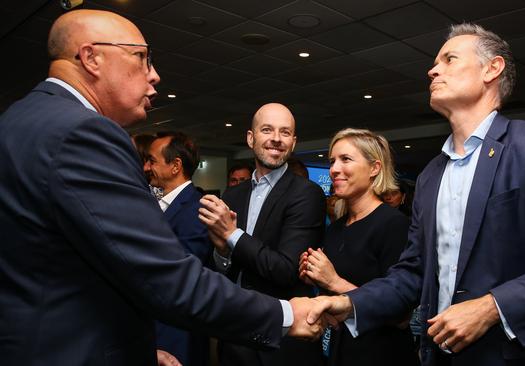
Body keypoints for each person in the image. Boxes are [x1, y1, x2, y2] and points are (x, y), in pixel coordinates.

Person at [0, 9, 322, 366]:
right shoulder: (84, 133)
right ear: (91, 57)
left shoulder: (17, 119)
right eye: (141, 58)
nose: (154, 75)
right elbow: (164, 277)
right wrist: (287, 316)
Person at [307, 23, 525, 366]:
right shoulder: (431, 175)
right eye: (435, 63)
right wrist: (350, 303)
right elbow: (412, 273)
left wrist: (493, 306)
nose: (432, 70)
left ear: (492, 69)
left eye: (449, 59)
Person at [199, 103, 326, 366]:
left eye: (285, 132)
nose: (276, 139)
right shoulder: (234, 194)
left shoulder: (306, 194)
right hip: (234, 332)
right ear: (250, 138)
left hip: (280, 342)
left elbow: (285, 269)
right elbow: (223, 268)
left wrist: (231, 235)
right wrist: (222, 251)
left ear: (293, 142)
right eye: (267, 130)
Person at [299, 128, 417, 366]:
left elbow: (401, 317)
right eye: (332, 161)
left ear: (374, 168)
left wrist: (332, 280)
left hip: (382, 355)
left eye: (346, 159)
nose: (334, 169)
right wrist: (315, 278)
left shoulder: (394, 224)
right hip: (340, 353)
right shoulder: (336, 228)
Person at [145, 131, 214, 366]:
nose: (146, 167)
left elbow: (182, 272)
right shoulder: (158, 204)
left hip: (177, 333)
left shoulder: (196, 209)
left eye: (152, 160)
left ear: (175, 166)